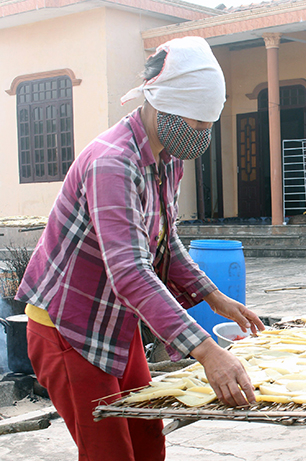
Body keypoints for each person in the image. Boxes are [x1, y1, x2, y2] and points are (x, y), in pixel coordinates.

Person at [15, 36, 264, 461]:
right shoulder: (112, 162)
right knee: (109, 452)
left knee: (148, 443)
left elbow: (164, 239)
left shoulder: (168, 157)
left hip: (115, 320)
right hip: (70, 328)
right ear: (162, 106)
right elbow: (130, 270)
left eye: (208, 128)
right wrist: (206, 352)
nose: (201, 138)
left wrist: (213, 295)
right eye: (196, 126)